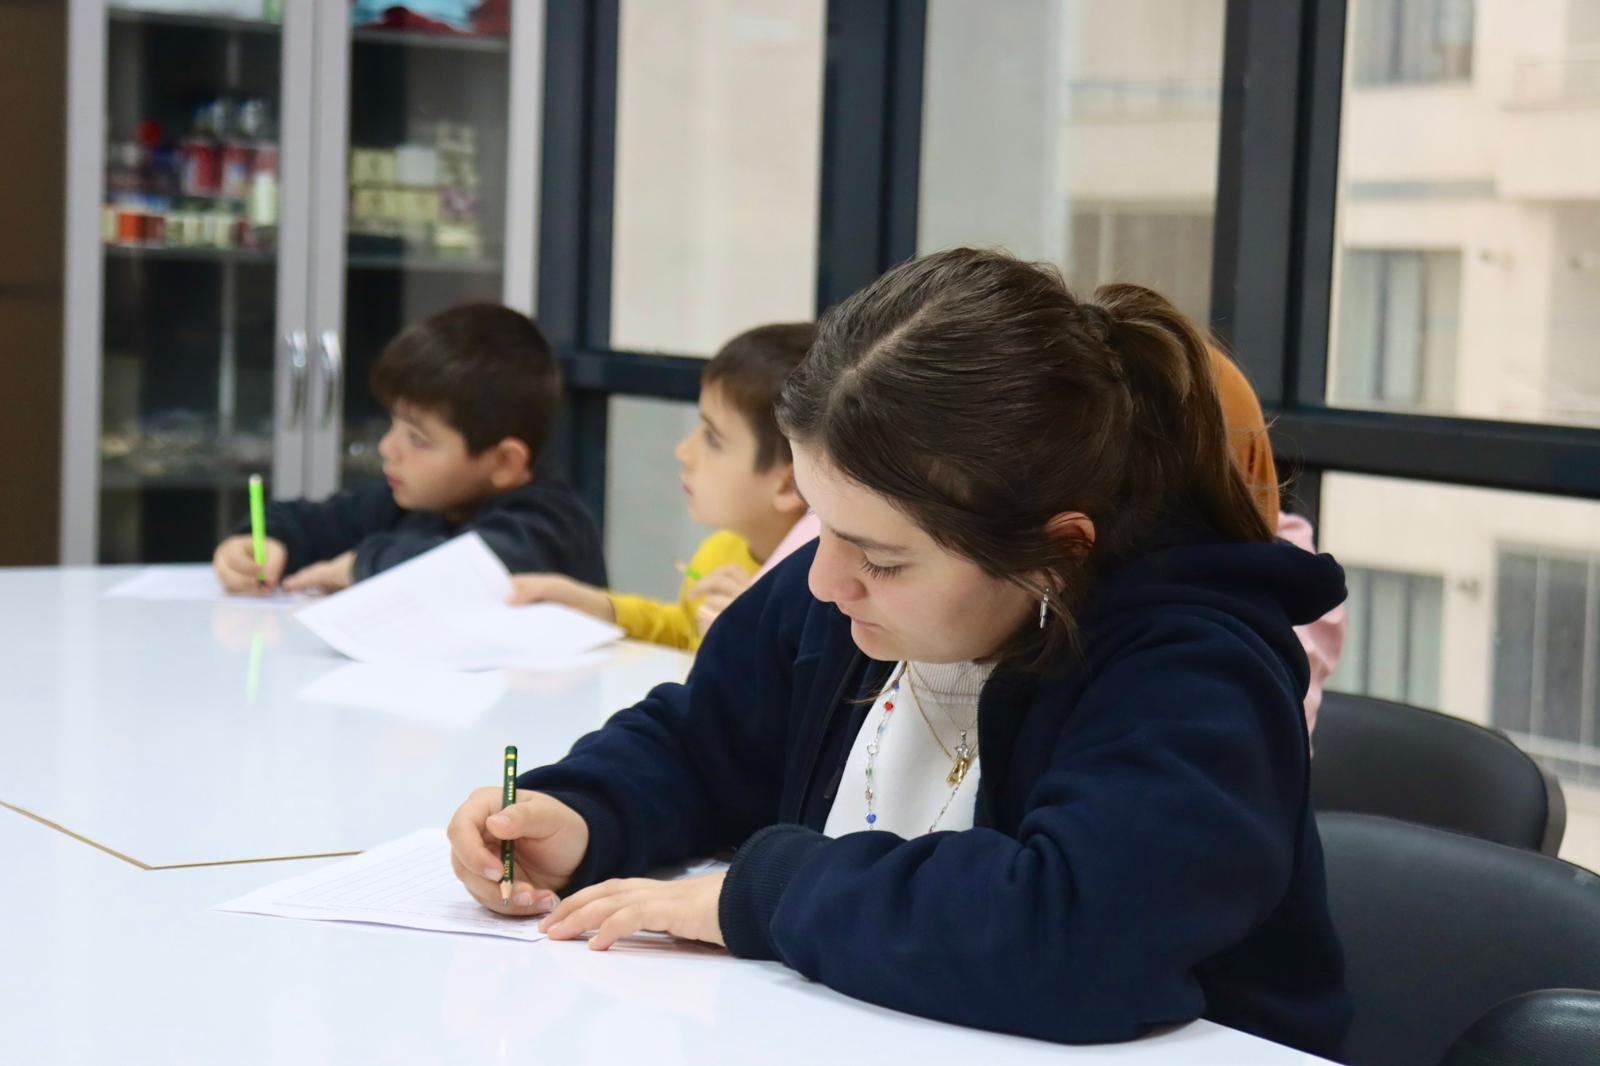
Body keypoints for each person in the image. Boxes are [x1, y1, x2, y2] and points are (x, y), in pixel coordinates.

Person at [445, 249, 1351, 1057]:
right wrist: (586, 812)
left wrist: (762, 893)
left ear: (1058, 551)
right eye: (818, 523)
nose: (822, 580)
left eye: (881, 558)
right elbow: (702, 741)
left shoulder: (1193, 671)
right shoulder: (844, 592)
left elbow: (1076, 938)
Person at [212, 303, 606, 594]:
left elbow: (466, 571)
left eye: (418, 439)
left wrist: (359, 566)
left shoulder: (549, 525)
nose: (388, 447)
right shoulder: (415, 502)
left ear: (504, 463)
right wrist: (262, 543)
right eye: (393, 424)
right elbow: (311, 522)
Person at [507, 323, 814, 651]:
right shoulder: (720, 551)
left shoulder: (821, 594)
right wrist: (596, 607)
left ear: (789, 485)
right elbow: (684, 632)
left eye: (713, 439)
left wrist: (756, 635)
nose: (683, 451)